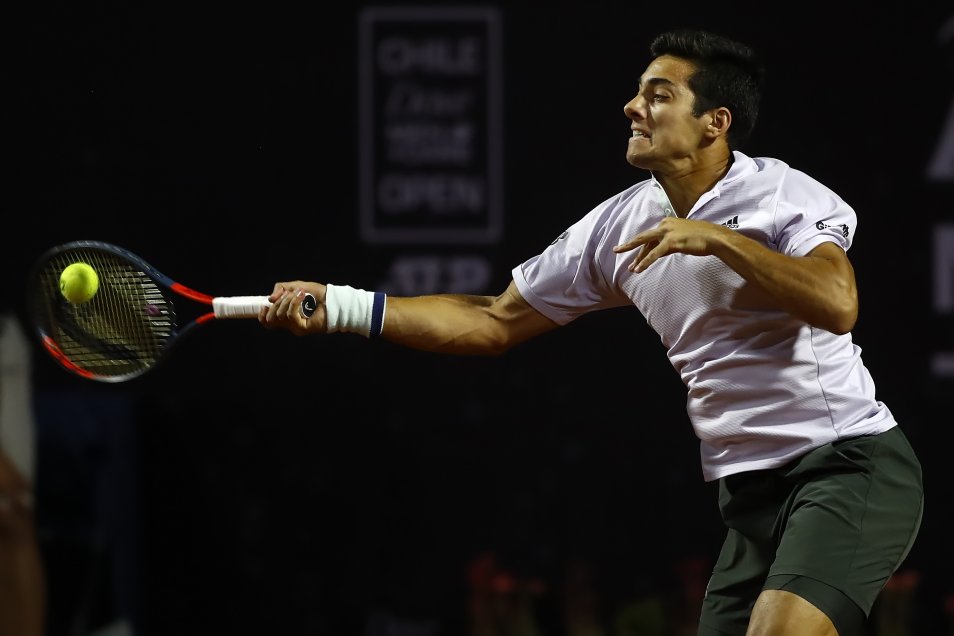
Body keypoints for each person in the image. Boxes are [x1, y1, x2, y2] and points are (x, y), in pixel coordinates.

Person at [258, 29, 924, 636]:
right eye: (637, 93)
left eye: (658, 96)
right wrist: (340, 306)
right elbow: (493, 321)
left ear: (714, 123)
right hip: (749, 496)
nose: (632, 107)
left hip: (847, 465)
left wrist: (717, 240)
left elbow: (839, 303)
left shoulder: (783, 194)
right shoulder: (617, 226)